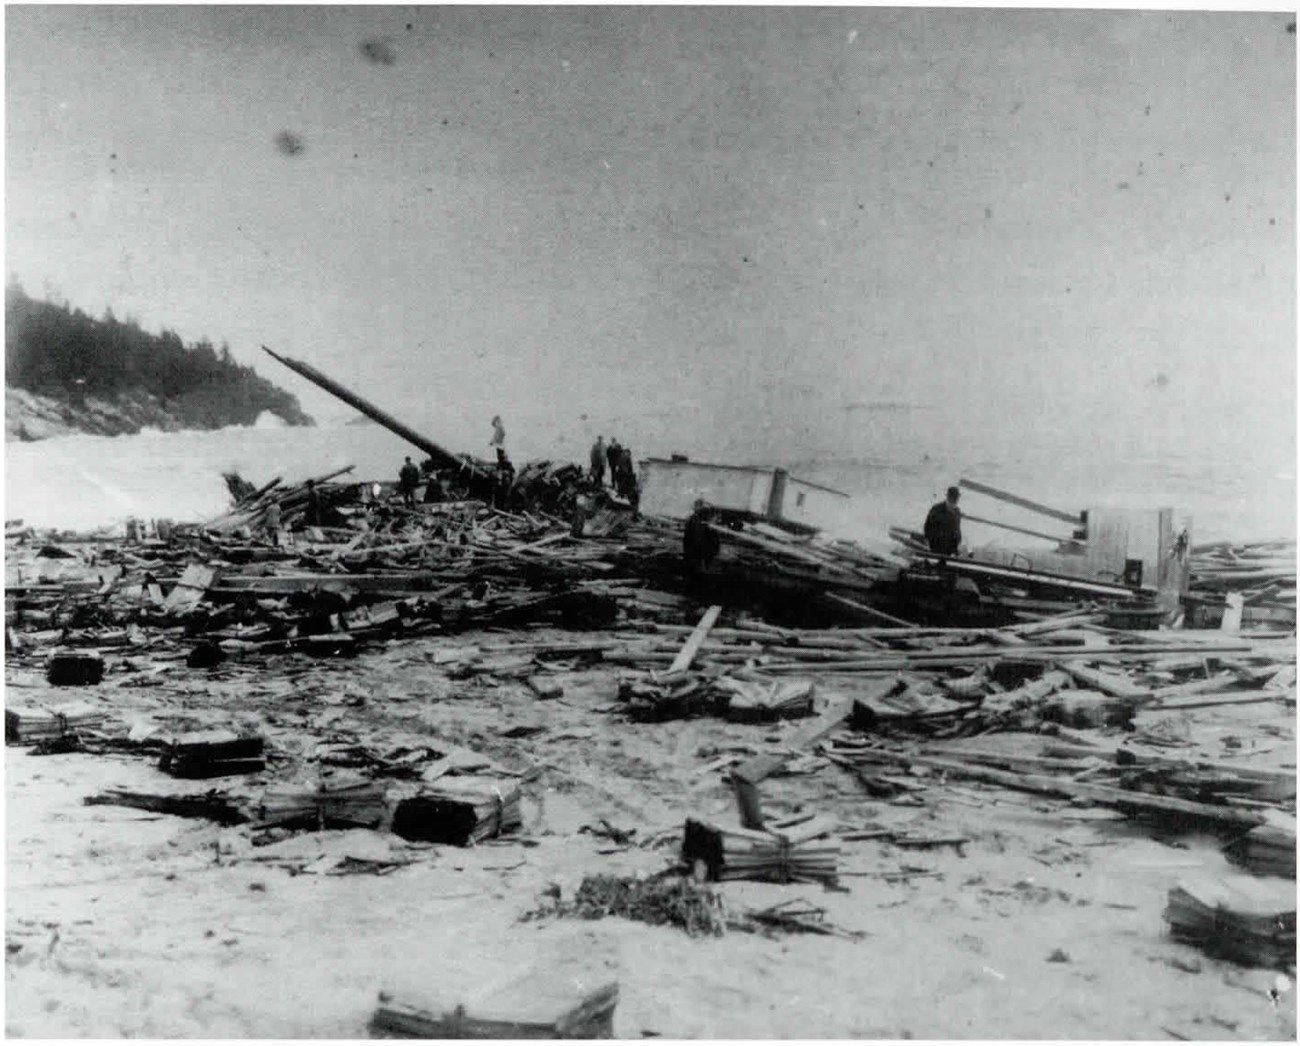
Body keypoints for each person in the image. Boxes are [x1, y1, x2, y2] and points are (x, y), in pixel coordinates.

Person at [924, 486, 962, 556]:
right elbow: (927, 527)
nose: (954, 501)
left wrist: (957, 546)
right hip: (936, 546)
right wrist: (927, 544)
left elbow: (957, 531)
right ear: (948, 497)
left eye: (956, 499)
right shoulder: (936, 509)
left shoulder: (957, 512)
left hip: (950, 550)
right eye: (952, 499)